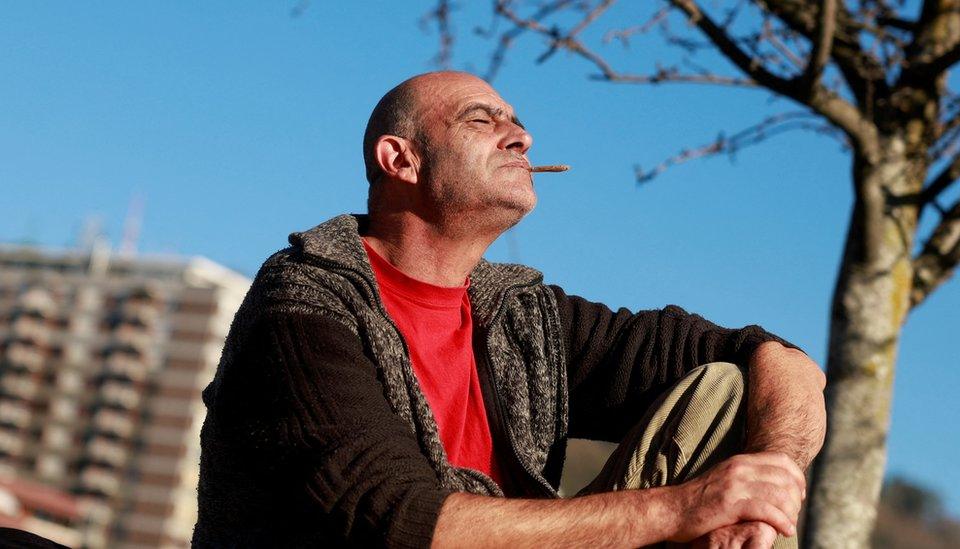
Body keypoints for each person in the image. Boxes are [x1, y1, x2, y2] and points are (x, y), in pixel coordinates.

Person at [192, 71, 826, 548]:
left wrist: (771, 478)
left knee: (728, 388)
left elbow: (781, 358)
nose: (520, 137)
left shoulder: (521, 316)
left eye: (516, 122)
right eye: (481, 121)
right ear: (401, 159)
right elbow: (394, 519)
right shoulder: (305, 301)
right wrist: (683, 509)